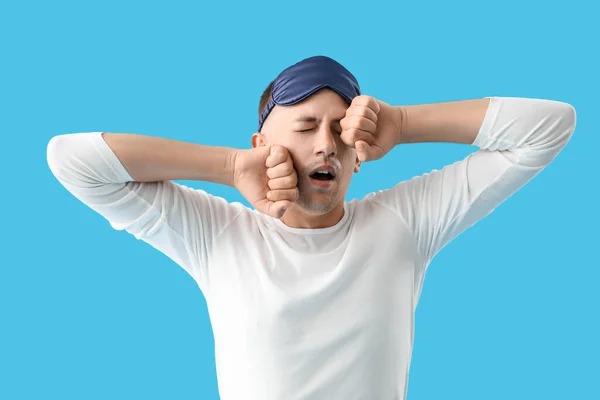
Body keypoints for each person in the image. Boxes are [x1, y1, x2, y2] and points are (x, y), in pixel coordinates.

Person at [46, 55, 576, 400]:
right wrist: (229, 168)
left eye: (341, 131)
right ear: (261, 147)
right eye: (303, 127)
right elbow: (72, 160)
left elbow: (550, 127)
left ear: (359, 156)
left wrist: (404, 124)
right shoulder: (219, 235)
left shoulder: (402, 224)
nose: (325, 144)